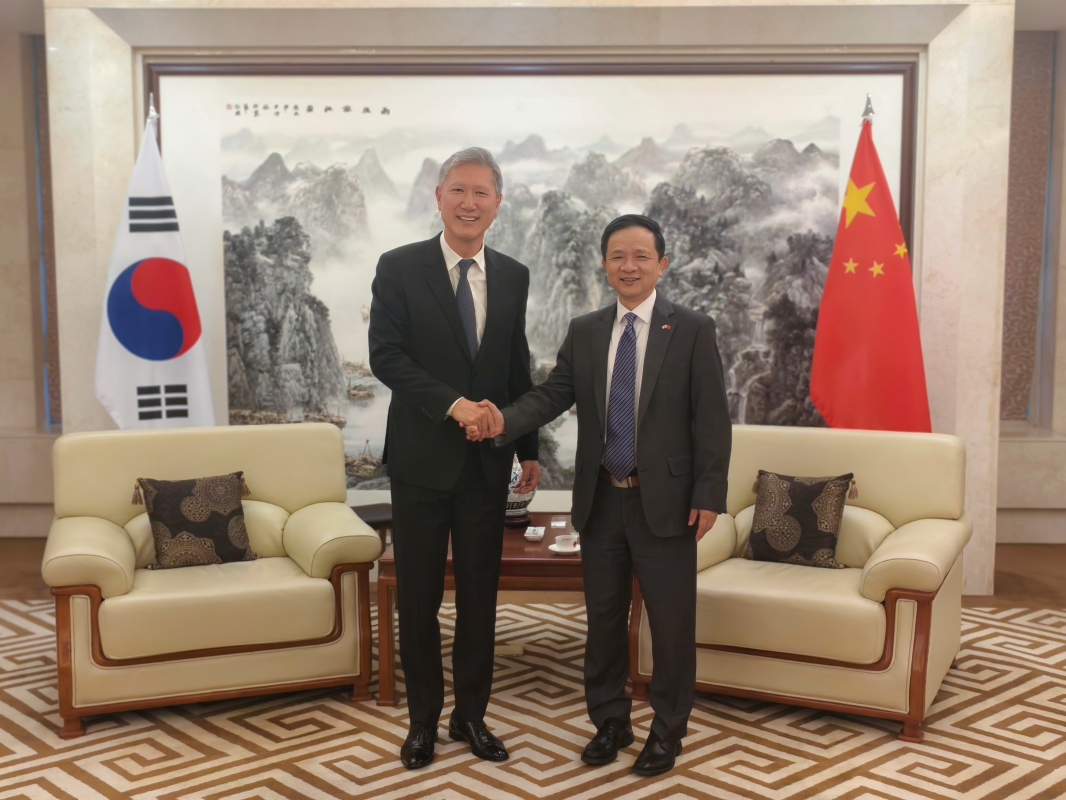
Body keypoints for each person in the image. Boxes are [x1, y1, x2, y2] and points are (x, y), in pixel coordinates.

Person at [467, 214, 731, 777]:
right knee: (604, 621)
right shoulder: (586, 330)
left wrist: (709, 493)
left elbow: (712, 419)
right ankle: (610, 721)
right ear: (605, 264)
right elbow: (552, 395)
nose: (629, 266)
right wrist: (502, 421)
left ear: (662, 265)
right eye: (617, 256)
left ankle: (668, 731)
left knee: (671, 625)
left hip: (667, 503)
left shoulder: (691, 328)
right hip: (601, 500)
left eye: (641, 256)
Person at [368, 147, 540, 770]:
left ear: (497, 203)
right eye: (458, 191)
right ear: (438, 197)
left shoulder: (513, 274)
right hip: (421, 462)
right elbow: (387, 357)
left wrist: (528, 446)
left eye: (481, 193)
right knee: (417, 598)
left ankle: (471, 716)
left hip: (486, 464)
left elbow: (515, 363)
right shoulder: (399, 266)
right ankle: (421, 723)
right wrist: (454, 405)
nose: (470, 203)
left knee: (479, 598)